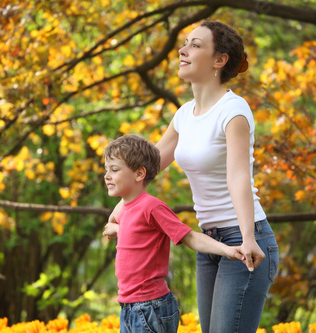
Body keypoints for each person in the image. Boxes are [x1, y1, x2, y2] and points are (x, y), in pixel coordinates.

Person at [106, 21, 279, 333]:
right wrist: (121, 209)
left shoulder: (233, 111)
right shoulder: (184, 114)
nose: (183, 51)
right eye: (185, 43)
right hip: (210, 241)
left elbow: (239, 178)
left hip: (245, 240)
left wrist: (249, 238)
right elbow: (148, 166)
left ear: (219, 60)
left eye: (195, 45)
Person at [102, 134, 251, 333]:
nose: (107, 176)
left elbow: (189, 236)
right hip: (129, 306)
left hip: (149, 307)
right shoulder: (127, 209)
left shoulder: (152, 207)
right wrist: (117, 229)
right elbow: (139, 235)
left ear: (139, 174)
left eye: (114, 169)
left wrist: (228, 250)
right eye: (106, 170)